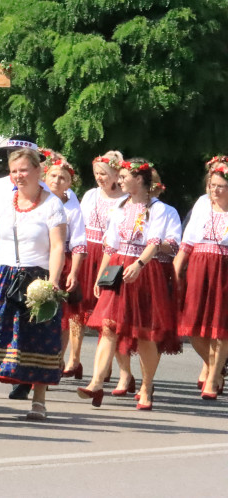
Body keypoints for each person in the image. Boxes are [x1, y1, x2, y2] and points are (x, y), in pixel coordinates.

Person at [0, 148, 66, 422]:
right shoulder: (5, 202)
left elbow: (57, 247)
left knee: (38, 339)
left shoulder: (52, 204)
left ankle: (39, 403)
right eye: (14, 171)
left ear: (38, 171)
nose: (19, 175)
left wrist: (53, 282)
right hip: (1, 275)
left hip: (36, 278)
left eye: (24, 170)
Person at [80, 158, 181, 411]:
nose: (120, 180)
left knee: (144, 333)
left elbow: (155, 243)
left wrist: (139, 265)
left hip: (146, 271)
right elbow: (110, 245)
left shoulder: (159, 210)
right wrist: (100, 276)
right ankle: (96, 383)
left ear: (140, 179)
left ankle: (147, 385)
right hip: (118, 267)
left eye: (124, 176)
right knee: (108, 327)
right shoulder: (120, 207)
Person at [65, 150, 126, 384]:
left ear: (116, 174)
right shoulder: (90, 195)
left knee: (106, 312)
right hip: (87, 252)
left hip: (110, 255)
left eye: (104, 173)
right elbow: (78, 223)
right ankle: (74, 359)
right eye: (96, 173)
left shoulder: (124, 199)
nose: (99, 177)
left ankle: (105, 366)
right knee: (77, 309)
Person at [175, 157, 228, 399]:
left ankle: (213, 377)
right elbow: (187, 241)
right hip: (198, 266)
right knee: (193, 326)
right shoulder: (202, 203)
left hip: (224, 269)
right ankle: (216, 370)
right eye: (212, 185)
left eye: (221, 186)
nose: (215, 190)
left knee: (221, 328)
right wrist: (176, 270)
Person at [41, 151, 89, 381]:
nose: (56, 181)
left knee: (60, 317)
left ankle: (55, 360)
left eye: (62, 178)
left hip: (63, 260)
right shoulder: (38, 199)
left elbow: (79, 242)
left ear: (69, 183)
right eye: (53, 176)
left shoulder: (72, 207)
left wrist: (74, 272)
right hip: (39, 258)